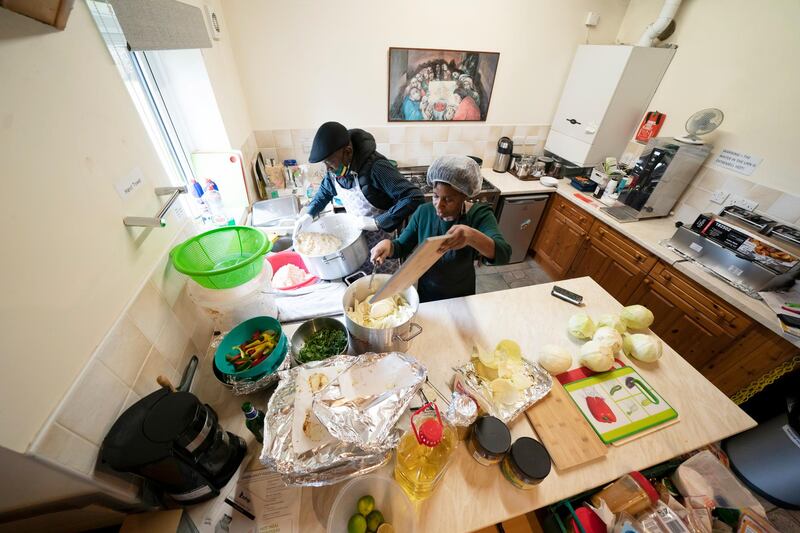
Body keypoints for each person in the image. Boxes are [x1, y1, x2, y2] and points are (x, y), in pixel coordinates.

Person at [370, 155, 512, 302]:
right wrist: (388, 245)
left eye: (449, 199)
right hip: (427, 291)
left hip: (461, 294)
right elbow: (402, 246)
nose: (439, 205)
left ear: (464, 196)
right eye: (436, 196)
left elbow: (504, 254)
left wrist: (471, 236)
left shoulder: (478, 215)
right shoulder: (423, 212)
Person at [295, 122, 424, 273]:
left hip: (381, 244)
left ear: (348, 152)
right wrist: (309, 214)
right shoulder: (336, 170)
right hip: (355, 244)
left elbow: (414, 197)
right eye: (325, 164)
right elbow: (324, 193)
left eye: (330, 163)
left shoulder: (377, 168)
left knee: (381, 287)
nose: (328, 169)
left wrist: (377, 222)